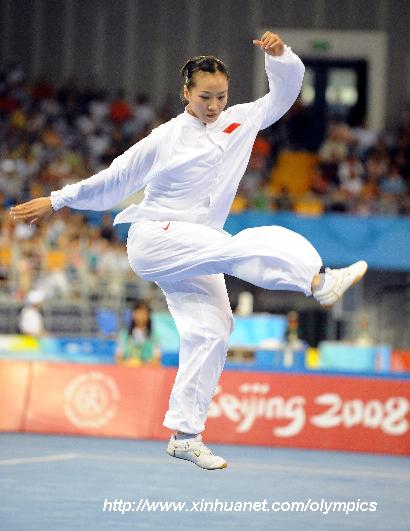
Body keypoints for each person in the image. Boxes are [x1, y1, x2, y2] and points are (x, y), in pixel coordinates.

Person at [10, 31, 368, 470]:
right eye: (204, 97)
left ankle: (184, 433)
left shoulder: (242, 120)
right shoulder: (165, 138)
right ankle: (318, 280)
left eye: (220, 96)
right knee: (236, 247)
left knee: (214, 329)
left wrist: (282, 57)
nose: (214, 105)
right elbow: (116, 179)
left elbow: (285, 93)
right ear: (186, 93)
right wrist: (58, 200)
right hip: (156, 238)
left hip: (194, 249)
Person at [115, 300, 161, 367]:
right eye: (138, 312)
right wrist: (128, 364)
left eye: (143, 313)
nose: (141, 316)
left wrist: (143, 365)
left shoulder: (154, 336)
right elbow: (118, 358)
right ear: (133, 314)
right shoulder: (125, 334)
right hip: (128, 371)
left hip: (147, 372)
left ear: (148, 315)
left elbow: (157, 360)